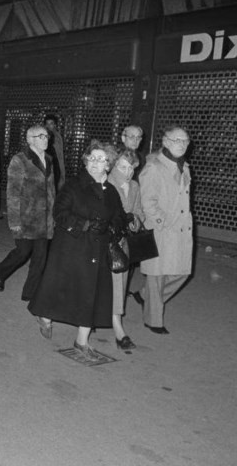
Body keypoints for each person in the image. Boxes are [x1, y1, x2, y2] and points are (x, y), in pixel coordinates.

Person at [28, 140, 126, 361]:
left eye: (101, 160)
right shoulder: (74, 185)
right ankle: (44, 316)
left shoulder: (111, 192)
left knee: (91, 294)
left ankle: (82, 340)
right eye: (91, 158)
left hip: (97, 250)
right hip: (71, 247)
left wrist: (112, 227)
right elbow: (59, 212)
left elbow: (119, 217)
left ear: (109, 165)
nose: (95, 163)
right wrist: (84, 224)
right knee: (61, 288)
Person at [138, 126, 193, 335]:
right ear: (165, 141)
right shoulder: (154, 167)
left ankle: (145, 296)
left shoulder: (184, 166)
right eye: (176, 140)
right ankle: (153, 319)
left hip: (181, 229)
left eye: (185, 141)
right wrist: (163, 221)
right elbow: (148, 202)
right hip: (161, 229)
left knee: (182, 272)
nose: (181, 144)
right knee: (157, 275)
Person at [0, 125, 55, 301]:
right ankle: (1, 271)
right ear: (30, 140)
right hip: (26, 217)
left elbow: (51, 190)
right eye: (41, 136)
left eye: (46, 136)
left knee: (40, 259)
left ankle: (30, 293)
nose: (45, 139)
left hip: (45, 219)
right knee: (22, 252)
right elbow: (12, 194)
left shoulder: (50, 159)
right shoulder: (19, 160)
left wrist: (53, 215)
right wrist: (14, 222)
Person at [107, 149, 144, 349]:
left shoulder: (135, 186)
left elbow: (139, 211)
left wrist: (135, 221)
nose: (127, 172)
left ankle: (117, 325)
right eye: (123, 167)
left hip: (123, 242)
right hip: (104, 240)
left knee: (119, 283)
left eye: (131, 168)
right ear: (113, 166)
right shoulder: (106, 182)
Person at [44, 113, 66, 191]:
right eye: (47, 123)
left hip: (55, 166)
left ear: (55, 125)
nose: (48, 126)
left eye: (51, 123)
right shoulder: (41, 135)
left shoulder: (57, 137)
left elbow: (59, 154)